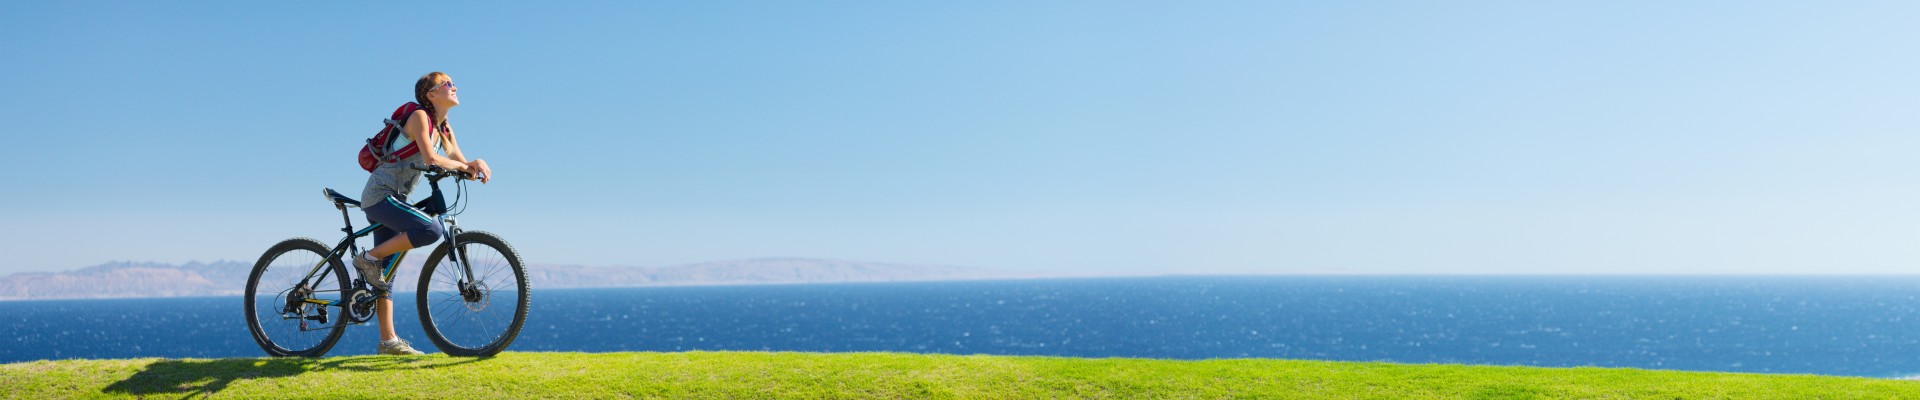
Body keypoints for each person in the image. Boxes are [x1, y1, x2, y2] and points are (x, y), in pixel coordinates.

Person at [355, 71, 494, 355]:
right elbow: (431, 158)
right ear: (431, 94)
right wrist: (464, 167)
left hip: (397, 199)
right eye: (447, 84)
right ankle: (366, 259)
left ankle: (387, 342)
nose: (455, 87)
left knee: (386, 273)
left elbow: (456, 158)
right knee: (431, 230)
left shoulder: (443, 127)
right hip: (380, 197)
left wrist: (473, 165)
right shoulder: (419, 116)